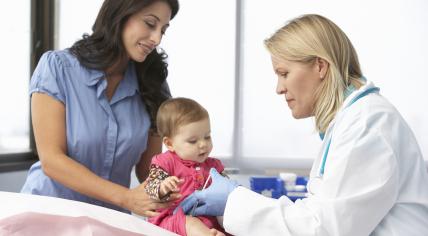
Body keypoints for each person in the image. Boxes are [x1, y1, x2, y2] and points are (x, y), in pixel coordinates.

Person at [176, 14, 428, 235]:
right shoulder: (350, 121)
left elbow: (326, 228)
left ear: (320, 66)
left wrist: (233, 200)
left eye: (284, 73)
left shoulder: (367, 124)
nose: (278, 88)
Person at [21, 0, 180, 217]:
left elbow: (148, 171)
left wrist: (177, 187)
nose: (156, 38)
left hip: (109, 221)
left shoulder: (152, 84)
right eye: (150, 23)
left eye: (163, 30)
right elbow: (52, 160)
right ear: (120, 14)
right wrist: (126, 197)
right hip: (48, 214)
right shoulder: (57, 68)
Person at [145, 97, 230, 236]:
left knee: (231, 222)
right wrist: (162, 186)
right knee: (191, 223)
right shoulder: (165, 162)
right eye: (193, 141)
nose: (203, 144)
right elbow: (150, 186)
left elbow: (227, 190)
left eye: (207, 137)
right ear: (170, 143)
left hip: (207, 219)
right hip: (171, 220)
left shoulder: (213, 166)